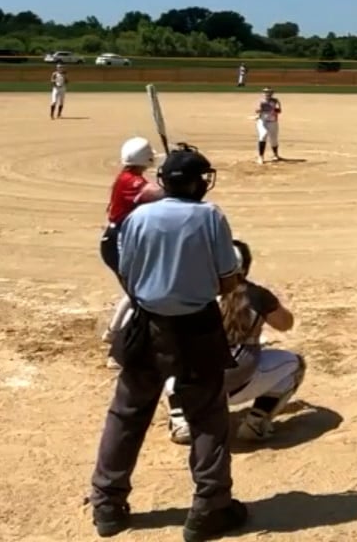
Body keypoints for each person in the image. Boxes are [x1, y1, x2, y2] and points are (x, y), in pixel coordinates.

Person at [87, 144, 248, 540]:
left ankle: (107, 504)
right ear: (198, 183)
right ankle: (210, 507)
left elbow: (127, 273)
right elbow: (228, 281)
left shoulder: (137, 217)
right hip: (197, 327)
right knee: (207, 416)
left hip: (146, 324)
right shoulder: (211, 216)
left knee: (127, 413)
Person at [168, 240, 306, 445]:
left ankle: (181, 419)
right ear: (245, 267)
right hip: (236, 386)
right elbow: (285, 324)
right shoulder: (257, 295)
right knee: (296, 364)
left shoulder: (190, 292)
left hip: (190, 387)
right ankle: (256, 423)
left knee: (172, 352)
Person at [101, 137, 166, 344]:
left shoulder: (127, 177)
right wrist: (172, 176)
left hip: (121, 240)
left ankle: (112, 333)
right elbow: (159, 195)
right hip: (118, 242)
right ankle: (122, 341)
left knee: (136, 292)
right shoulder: (132, 181)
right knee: (139, 295)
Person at [253, 88, 282, 165]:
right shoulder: (260, 101)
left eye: (269, 92)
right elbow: (256, 110)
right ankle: (261, 157)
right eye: (265, 92)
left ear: (272, 93)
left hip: (273, 122)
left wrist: (273, 109)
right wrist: (260, 110)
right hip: (263, 122)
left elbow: (279, 110)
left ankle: (275, 155)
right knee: (263, 135)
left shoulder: (275, 101)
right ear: (263, 93)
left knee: (274, 139)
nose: (267, 94)